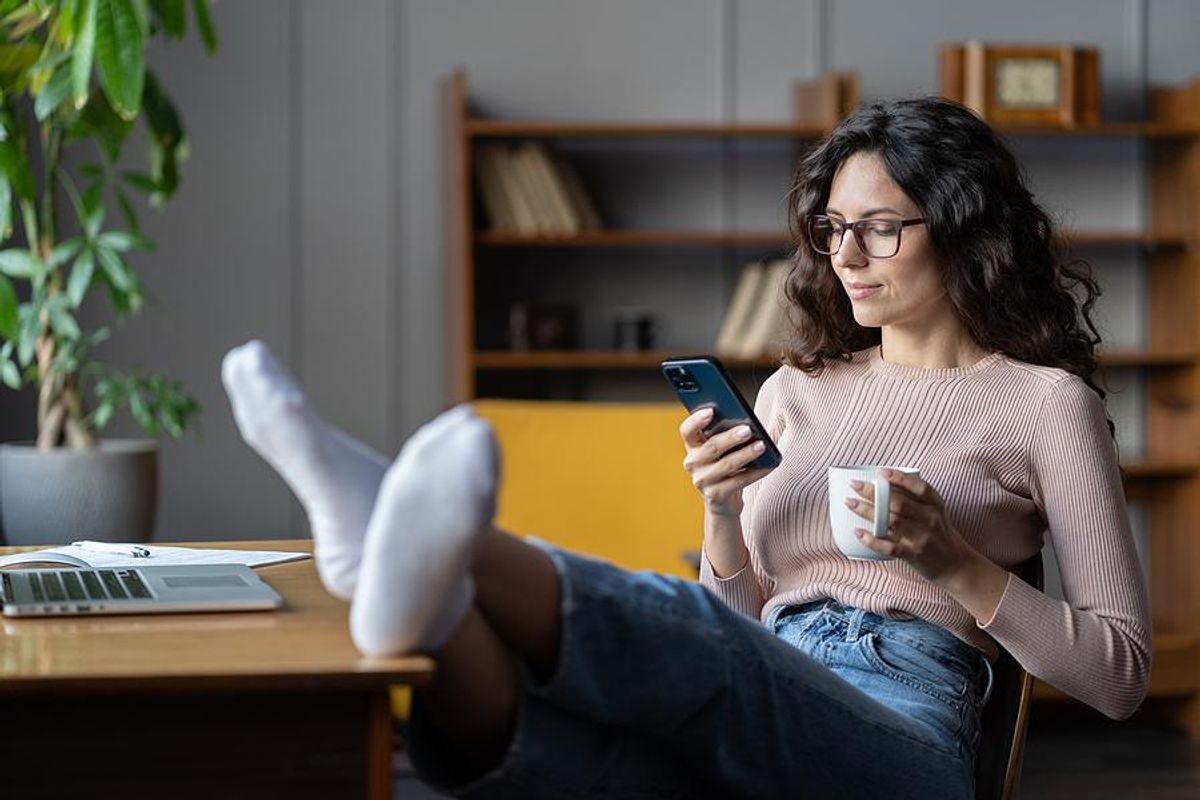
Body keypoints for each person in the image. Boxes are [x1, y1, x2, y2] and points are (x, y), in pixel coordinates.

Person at [221, 96, 1151, 799]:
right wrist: (720, 515)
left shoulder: (1043, 404)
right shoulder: (797, 391)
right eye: (831, 230)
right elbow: (746, 624)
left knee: (699, 651)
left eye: (879, 228)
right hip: (771, 669)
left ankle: (417, 544)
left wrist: (950, 559)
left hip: (908, 722)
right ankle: (417, 593)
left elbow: (1118, 679)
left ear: (961, 230)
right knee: (571, 749)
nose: (846, 256)